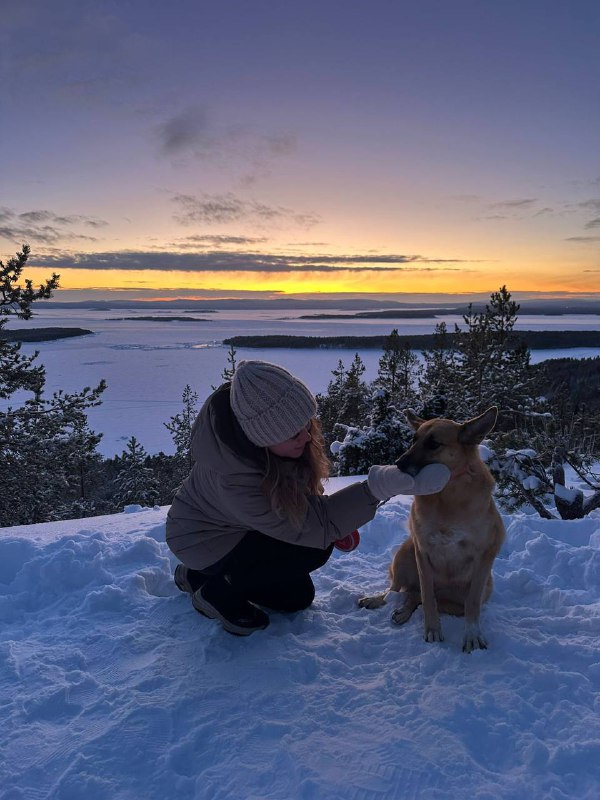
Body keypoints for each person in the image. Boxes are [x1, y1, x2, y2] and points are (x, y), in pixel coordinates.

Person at [166, 360, 449, 635]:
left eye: (306, 424)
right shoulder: (237, 483)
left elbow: (298, 497)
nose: (305, 437)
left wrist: (339, 513)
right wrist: (380, 486)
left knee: (296, 597)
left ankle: (196, 576)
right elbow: (317, 524)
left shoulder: (260, 442)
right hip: (204, 541)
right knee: (314, 547)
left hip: (237, 527)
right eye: (292, 434)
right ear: (262, 439)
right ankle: (215, 590)